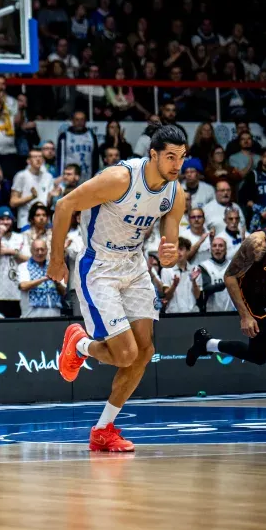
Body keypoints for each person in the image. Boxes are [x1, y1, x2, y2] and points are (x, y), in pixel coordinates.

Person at [50, 125, 188, 452]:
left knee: (145, 352)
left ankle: (103, 429)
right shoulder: (120, 178)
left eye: (182, 158)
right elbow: (64, 205)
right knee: (126, 354)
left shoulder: (174, 193)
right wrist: (56, 260)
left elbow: (167, 250)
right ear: (152, 155)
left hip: (136, 266)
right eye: (170, 157)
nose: (176, 165)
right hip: (100, 267)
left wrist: (169, 256)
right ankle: (80, 343)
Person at [185, 198, 266, 428]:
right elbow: (229, 276)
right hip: (249, 297)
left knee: (258, 355)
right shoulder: (259, 241)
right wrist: (245, 315)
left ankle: (206, 344)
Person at [0, 206, 26, 318]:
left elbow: (27, 259)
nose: (5, 222)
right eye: (2, 219)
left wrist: (11, 251)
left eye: (8, 219)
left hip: (18, 291)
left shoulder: (21, 237)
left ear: (12, 220)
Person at [156, 237, 201, 314]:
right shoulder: (166, 270)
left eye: (181, 249)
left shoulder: (195, 269)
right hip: (173, 314)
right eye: (175, 249)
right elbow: (166, 296)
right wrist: (174, 285)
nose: (178, 252)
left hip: (192, 313)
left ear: (187, 251)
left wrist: (194, 281)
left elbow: (197, 296)